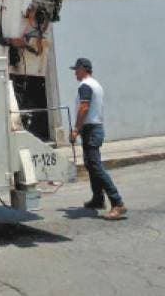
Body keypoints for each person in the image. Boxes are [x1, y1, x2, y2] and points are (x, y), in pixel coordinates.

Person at [69, 57, 127, 220]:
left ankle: (117, 203)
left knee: (95, 166)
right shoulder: (96, 84)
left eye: (76, 70)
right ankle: (98, 198)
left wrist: (76, 129)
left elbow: (84, 107)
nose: (75, 73)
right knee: (91, 164)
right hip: (94, 128)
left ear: (83, 69)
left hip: (91, 129)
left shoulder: (85, 85)